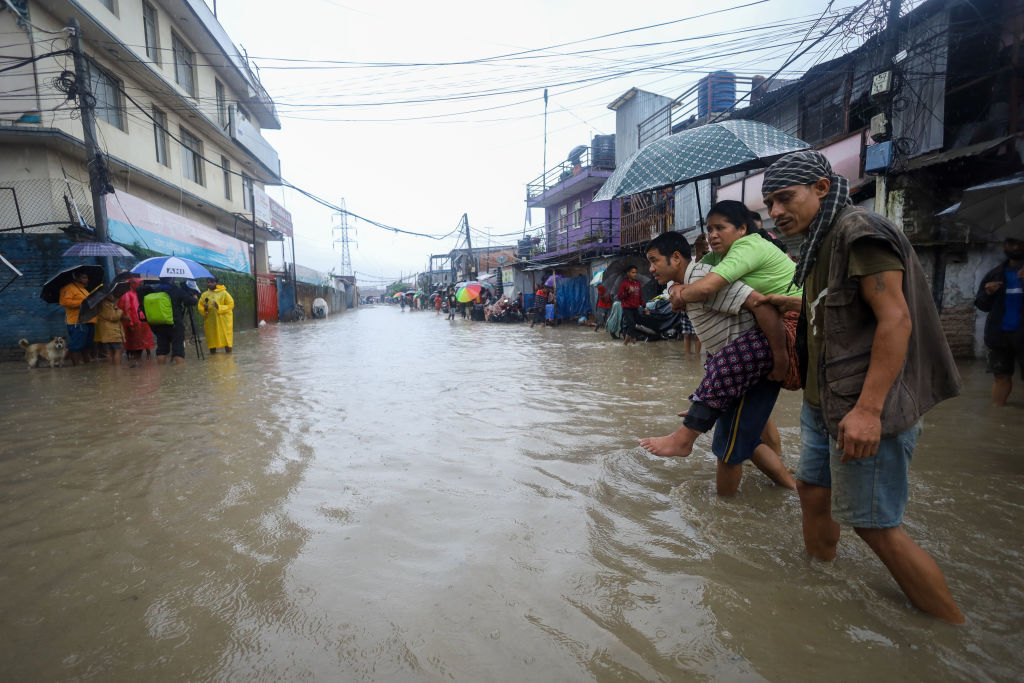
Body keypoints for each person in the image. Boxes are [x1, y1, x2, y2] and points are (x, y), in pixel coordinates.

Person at [760, 150, 963, 623]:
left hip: (862, 404)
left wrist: (869, 411)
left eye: (784, 198)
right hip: (823, 403)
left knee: (875, 526)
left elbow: (895, 320)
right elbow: (836, 307)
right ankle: (820, 587)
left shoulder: (859, 233)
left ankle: (950, 630)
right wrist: (786, 301)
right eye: (769, 204)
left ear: (822, 188)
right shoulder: (817, 240)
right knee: (812, 490)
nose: (775, 212)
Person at [639, 231, 795, 495]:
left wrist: (780, 357)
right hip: (733, 370)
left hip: (748, 368)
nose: (651, 268)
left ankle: (724, 512)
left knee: (728, 448)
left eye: (654, 261)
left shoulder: (703, 279)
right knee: (746, 440)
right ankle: (793, 490)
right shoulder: (679, 284)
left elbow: (761, 304)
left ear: (676, 258)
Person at [975, 237, 1024, 406]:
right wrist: (987, 293)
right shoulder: (996, 273)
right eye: (1011, 243)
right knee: (1001, 376)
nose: (1016, 247)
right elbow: (981, 304)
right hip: (999, 335)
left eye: (1020, 243)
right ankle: (997, 414)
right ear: (1005, 246)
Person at [141, 278, 199, 365]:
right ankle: (179, 373)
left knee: (161, 350)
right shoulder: (177, 290)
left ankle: (162, 372)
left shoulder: (155, 290)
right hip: (175, 324)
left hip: (159, 324)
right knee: (178, 350)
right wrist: (195, 296)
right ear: (171, 278)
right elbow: (190, 302)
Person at [59, 268, 93, 366]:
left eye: (87, 278)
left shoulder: (83, 290)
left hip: (88, 320)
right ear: (76, 278)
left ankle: (87, 365)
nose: (86, 280)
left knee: (87, 345)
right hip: (77, 322)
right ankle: (76, 367)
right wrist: (83, 303)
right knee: (76, 346)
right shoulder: (68, 288)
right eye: (83, 277)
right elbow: (65, 302)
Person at [118, 277, 154, 361]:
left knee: (142, 344)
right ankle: (135, 367)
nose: (141, 286)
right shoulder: (127, 295)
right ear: (133, 284)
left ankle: (139, 366)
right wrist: (129, 324)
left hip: (142, 322)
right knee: (135, 345)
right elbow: (125, 311)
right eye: (139, 284)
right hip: (134, 323)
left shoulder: (138, 293)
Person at [198, 277, 234, 353]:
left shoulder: (224, 293)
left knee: (227, 342)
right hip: (211, 323)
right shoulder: (204, 295)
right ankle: (213, 361)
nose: (209, 284)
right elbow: (200, 306)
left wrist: (219, 307)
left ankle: (229, 360)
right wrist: (205, 308)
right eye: (208, 282)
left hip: (223, 322)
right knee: (212, 342)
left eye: (211, 282)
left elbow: (231, 304)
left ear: (216, 283)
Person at [95, 292, 125, 365]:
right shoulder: (105, 305)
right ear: (106, 296)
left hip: (107, 333)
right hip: (112, 332)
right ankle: (118, 368)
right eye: (111, 294)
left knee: (110, 351)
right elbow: (113, 317)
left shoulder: (105, 304)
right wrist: (120, 310)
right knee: (119, 349)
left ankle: (112, 370)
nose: (113, 296)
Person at [617, 266, 643, 345]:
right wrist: (628, 292)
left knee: (635, 323)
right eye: (633, 272)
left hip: (635, 307)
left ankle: (625, 343)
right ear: (628, 273)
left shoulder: (638, 283)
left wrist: (644, 306)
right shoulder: (624, 283)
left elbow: (640, 297)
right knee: (631, 323)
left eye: (636, 272)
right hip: (627, 307)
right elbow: (620, 297)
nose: (635, 274)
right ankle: (634, 339)